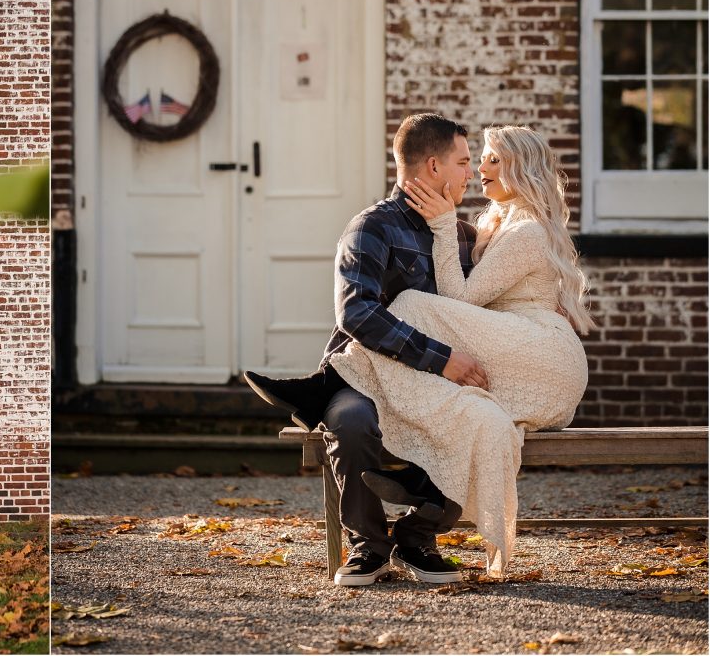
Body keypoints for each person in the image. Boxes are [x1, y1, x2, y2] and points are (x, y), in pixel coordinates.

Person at [330, 124, 590, 577]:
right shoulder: (392, 226)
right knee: (478, 419)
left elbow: (460, 302)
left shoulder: (511, 230)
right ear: (435, 166)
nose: (479, 169)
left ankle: (322, 386)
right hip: (509, 346)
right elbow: (357, 312)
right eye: (472, 159)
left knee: (412, 305)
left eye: (490, 159)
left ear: (520, 169)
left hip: (538, 351)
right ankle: (412, 519)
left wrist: (445, 227)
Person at [244, 113, 485, 587]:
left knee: (485, 423)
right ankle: (368, 546)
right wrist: (443, 359)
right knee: (351, 421)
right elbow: (356, 315)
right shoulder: (371, 228)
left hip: (434, 385)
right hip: (364, 375)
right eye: (463, 161)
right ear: (433, 167)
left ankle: (417, 539)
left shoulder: (461, 237)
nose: (470, 173)